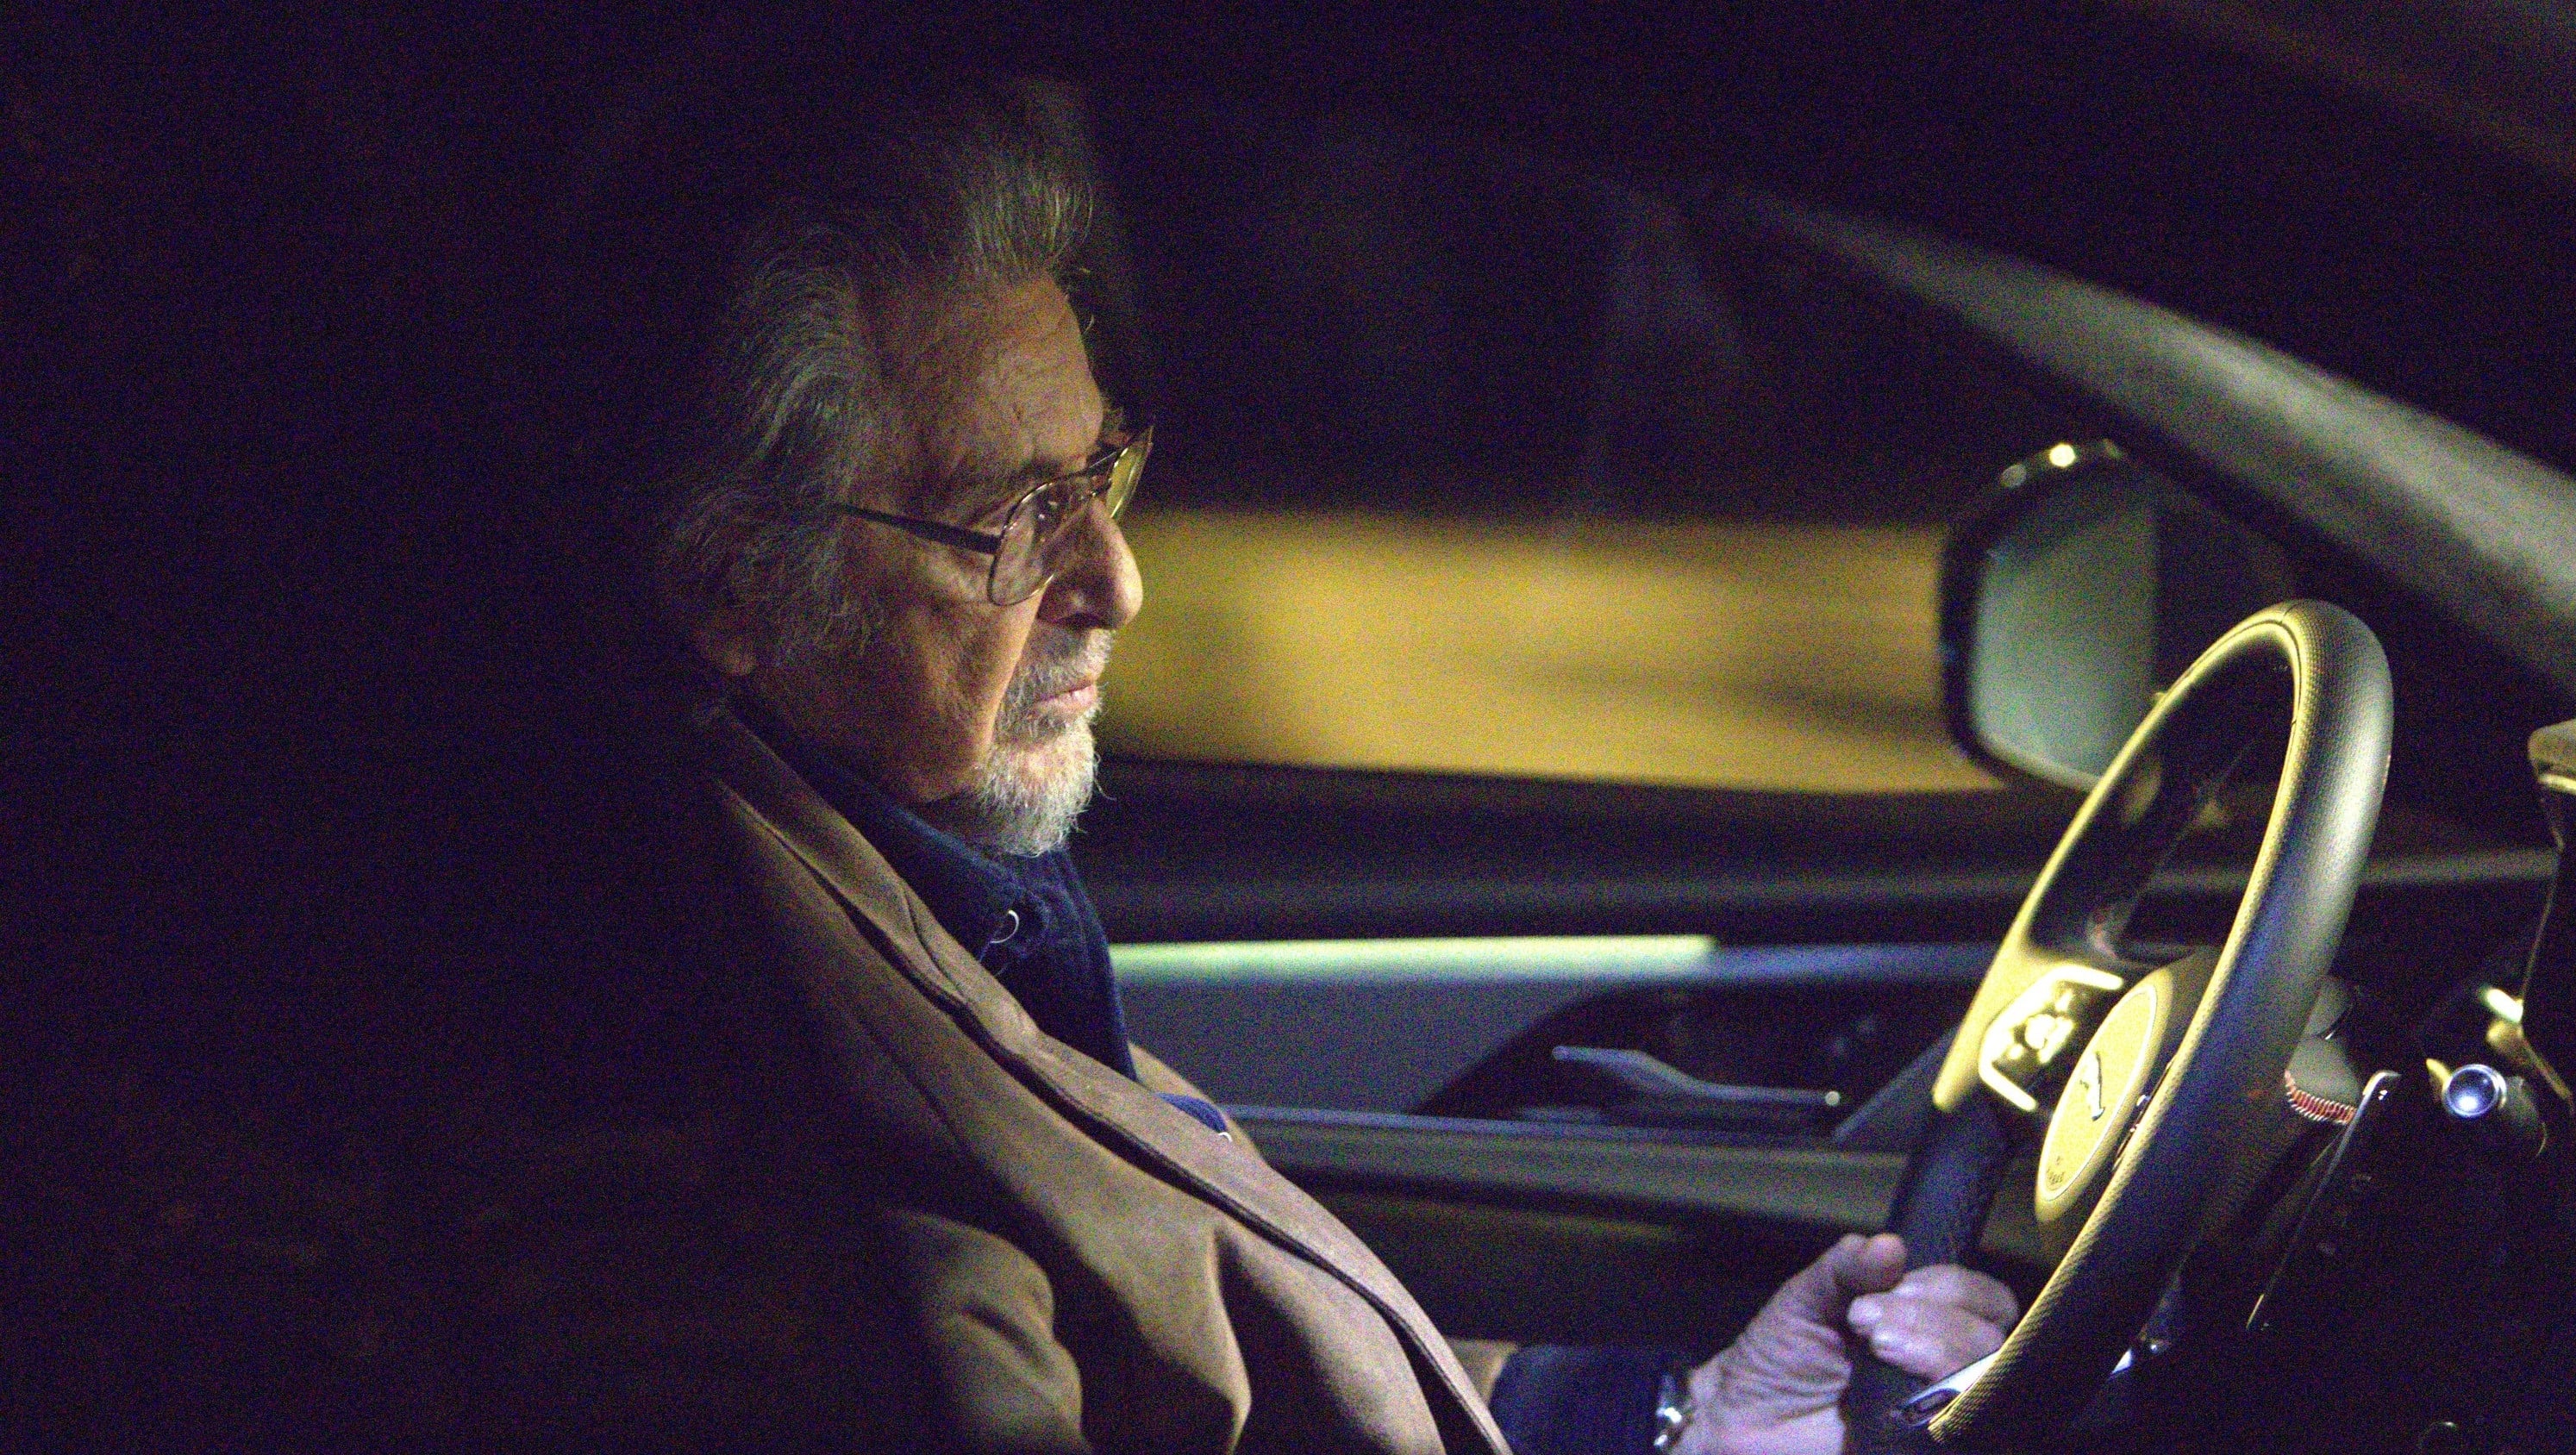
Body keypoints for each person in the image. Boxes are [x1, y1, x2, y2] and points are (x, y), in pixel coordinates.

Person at [637, 77, 2016, 1454]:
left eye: (1099, 475)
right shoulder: (780, 1107)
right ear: (736, 586)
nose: (1116, 582)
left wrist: (1677, 1419)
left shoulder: (930, 901)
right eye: (1012, 516)